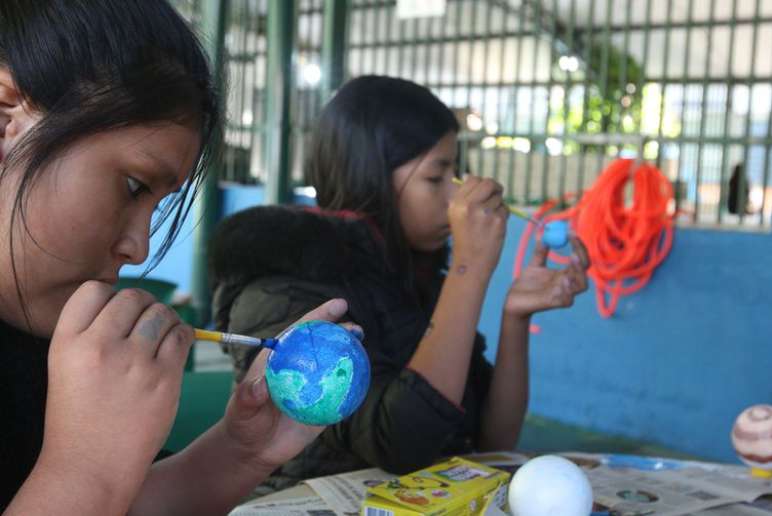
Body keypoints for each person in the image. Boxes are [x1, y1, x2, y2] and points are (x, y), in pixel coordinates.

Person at [0, 1, 345, 514]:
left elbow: (125, 504)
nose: (137, 248)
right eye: (133, 186)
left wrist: (242, 451)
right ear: (8, 119)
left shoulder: (35, 352)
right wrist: (84, 472)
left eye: (156, 204)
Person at [210, 75, 590, 492]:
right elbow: (400, 443)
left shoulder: (411, 275)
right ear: (372, 174)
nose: (453, 197)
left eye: (456, 176)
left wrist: (515, 316)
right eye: (436, 177)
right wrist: (470, 270)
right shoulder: (283, 285)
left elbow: (493, 441)